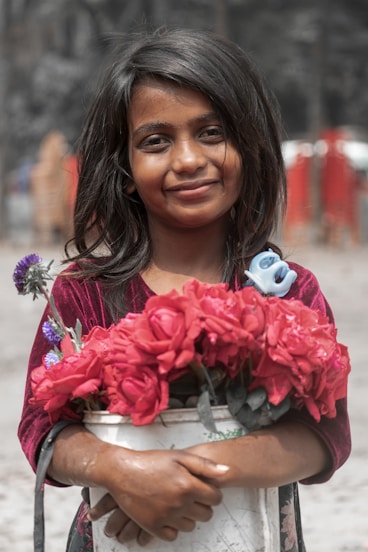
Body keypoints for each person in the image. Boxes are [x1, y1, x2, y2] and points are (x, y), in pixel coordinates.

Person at [18, 27, 351, 551]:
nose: (189, 159)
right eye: (156, 141)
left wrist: (185, 475)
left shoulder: (288, 294)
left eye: (212, 132)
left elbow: (325, 436)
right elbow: (41, 432)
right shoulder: (80, 296)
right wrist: (121, 470)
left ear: (248, 145)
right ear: (124, 168)